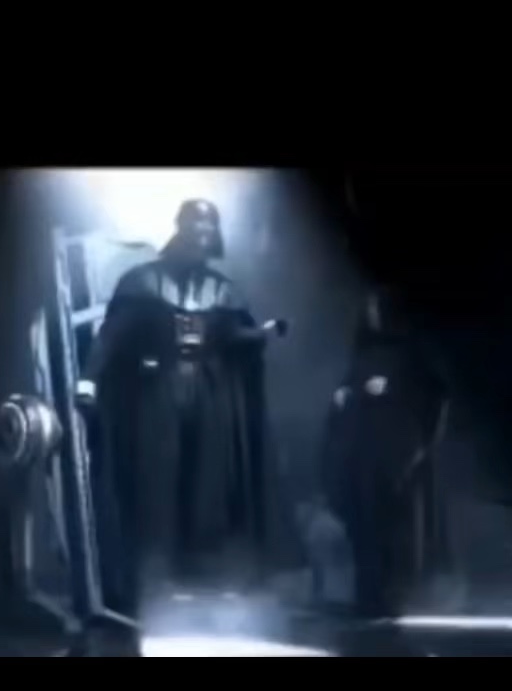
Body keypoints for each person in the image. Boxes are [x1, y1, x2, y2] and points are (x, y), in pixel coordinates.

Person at [81, 199, 286, 613]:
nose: (202, 233)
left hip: (209, 398)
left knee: (207, 485)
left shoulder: (222, 289)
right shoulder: (142, 281)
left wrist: (262, 334)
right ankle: (149, 580)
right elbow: (113, 336)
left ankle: (201, 578)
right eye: (196, 225)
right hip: (156, 394)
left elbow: (232, 338)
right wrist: (88, 380)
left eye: (210, 227)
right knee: (154, 483)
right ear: (180, 227)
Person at [322, 288, 450, 618]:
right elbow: (348, 391)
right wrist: (344, 397)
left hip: (393, 453)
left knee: (390, 525)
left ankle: (390, 596)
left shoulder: (410, 353)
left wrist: (417, 441)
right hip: (359, 451)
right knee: (362, 525)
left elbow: (433, 395)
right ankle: (367, 596)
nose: (373, 314)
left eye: (378, 308)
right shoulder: (363, 352)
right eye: (369, 308)